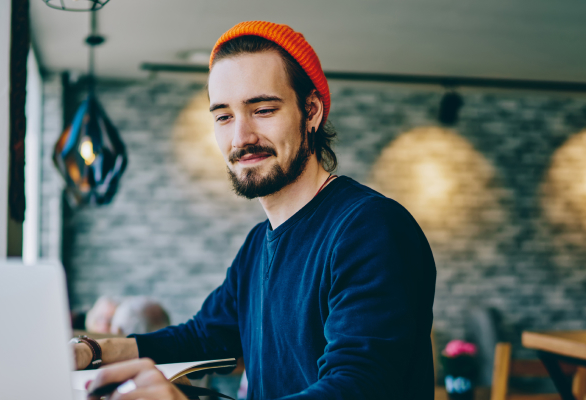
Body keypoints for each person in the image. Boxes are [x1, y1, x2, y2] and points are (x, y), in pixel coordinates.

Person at [74, 21, 436, 399]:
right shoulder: (257, 245)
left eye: (262, 109)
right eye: (223, 116)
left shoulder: (371, 228)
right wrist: (93, 350)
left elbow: (357, 388)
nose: (240, 138)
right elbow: (204, 337)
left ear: (310, 111)